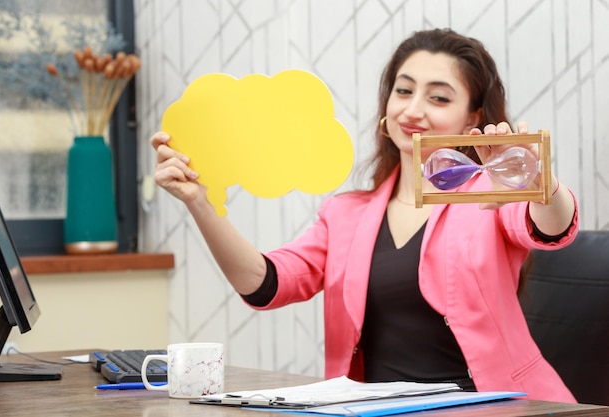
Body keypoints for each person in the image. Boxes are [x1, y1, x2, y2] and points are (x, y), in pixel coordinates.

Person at [151, 28, 578, 403]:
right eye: (404, 90)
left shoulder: (492, 193)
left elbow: (553, 226)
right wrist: (199, 202)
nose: (413, 110)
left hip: (495, 406)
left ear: (473, 117)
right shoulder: (345, 214)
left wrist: (538, 181)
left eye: (439, 97)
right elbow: (264, 284)